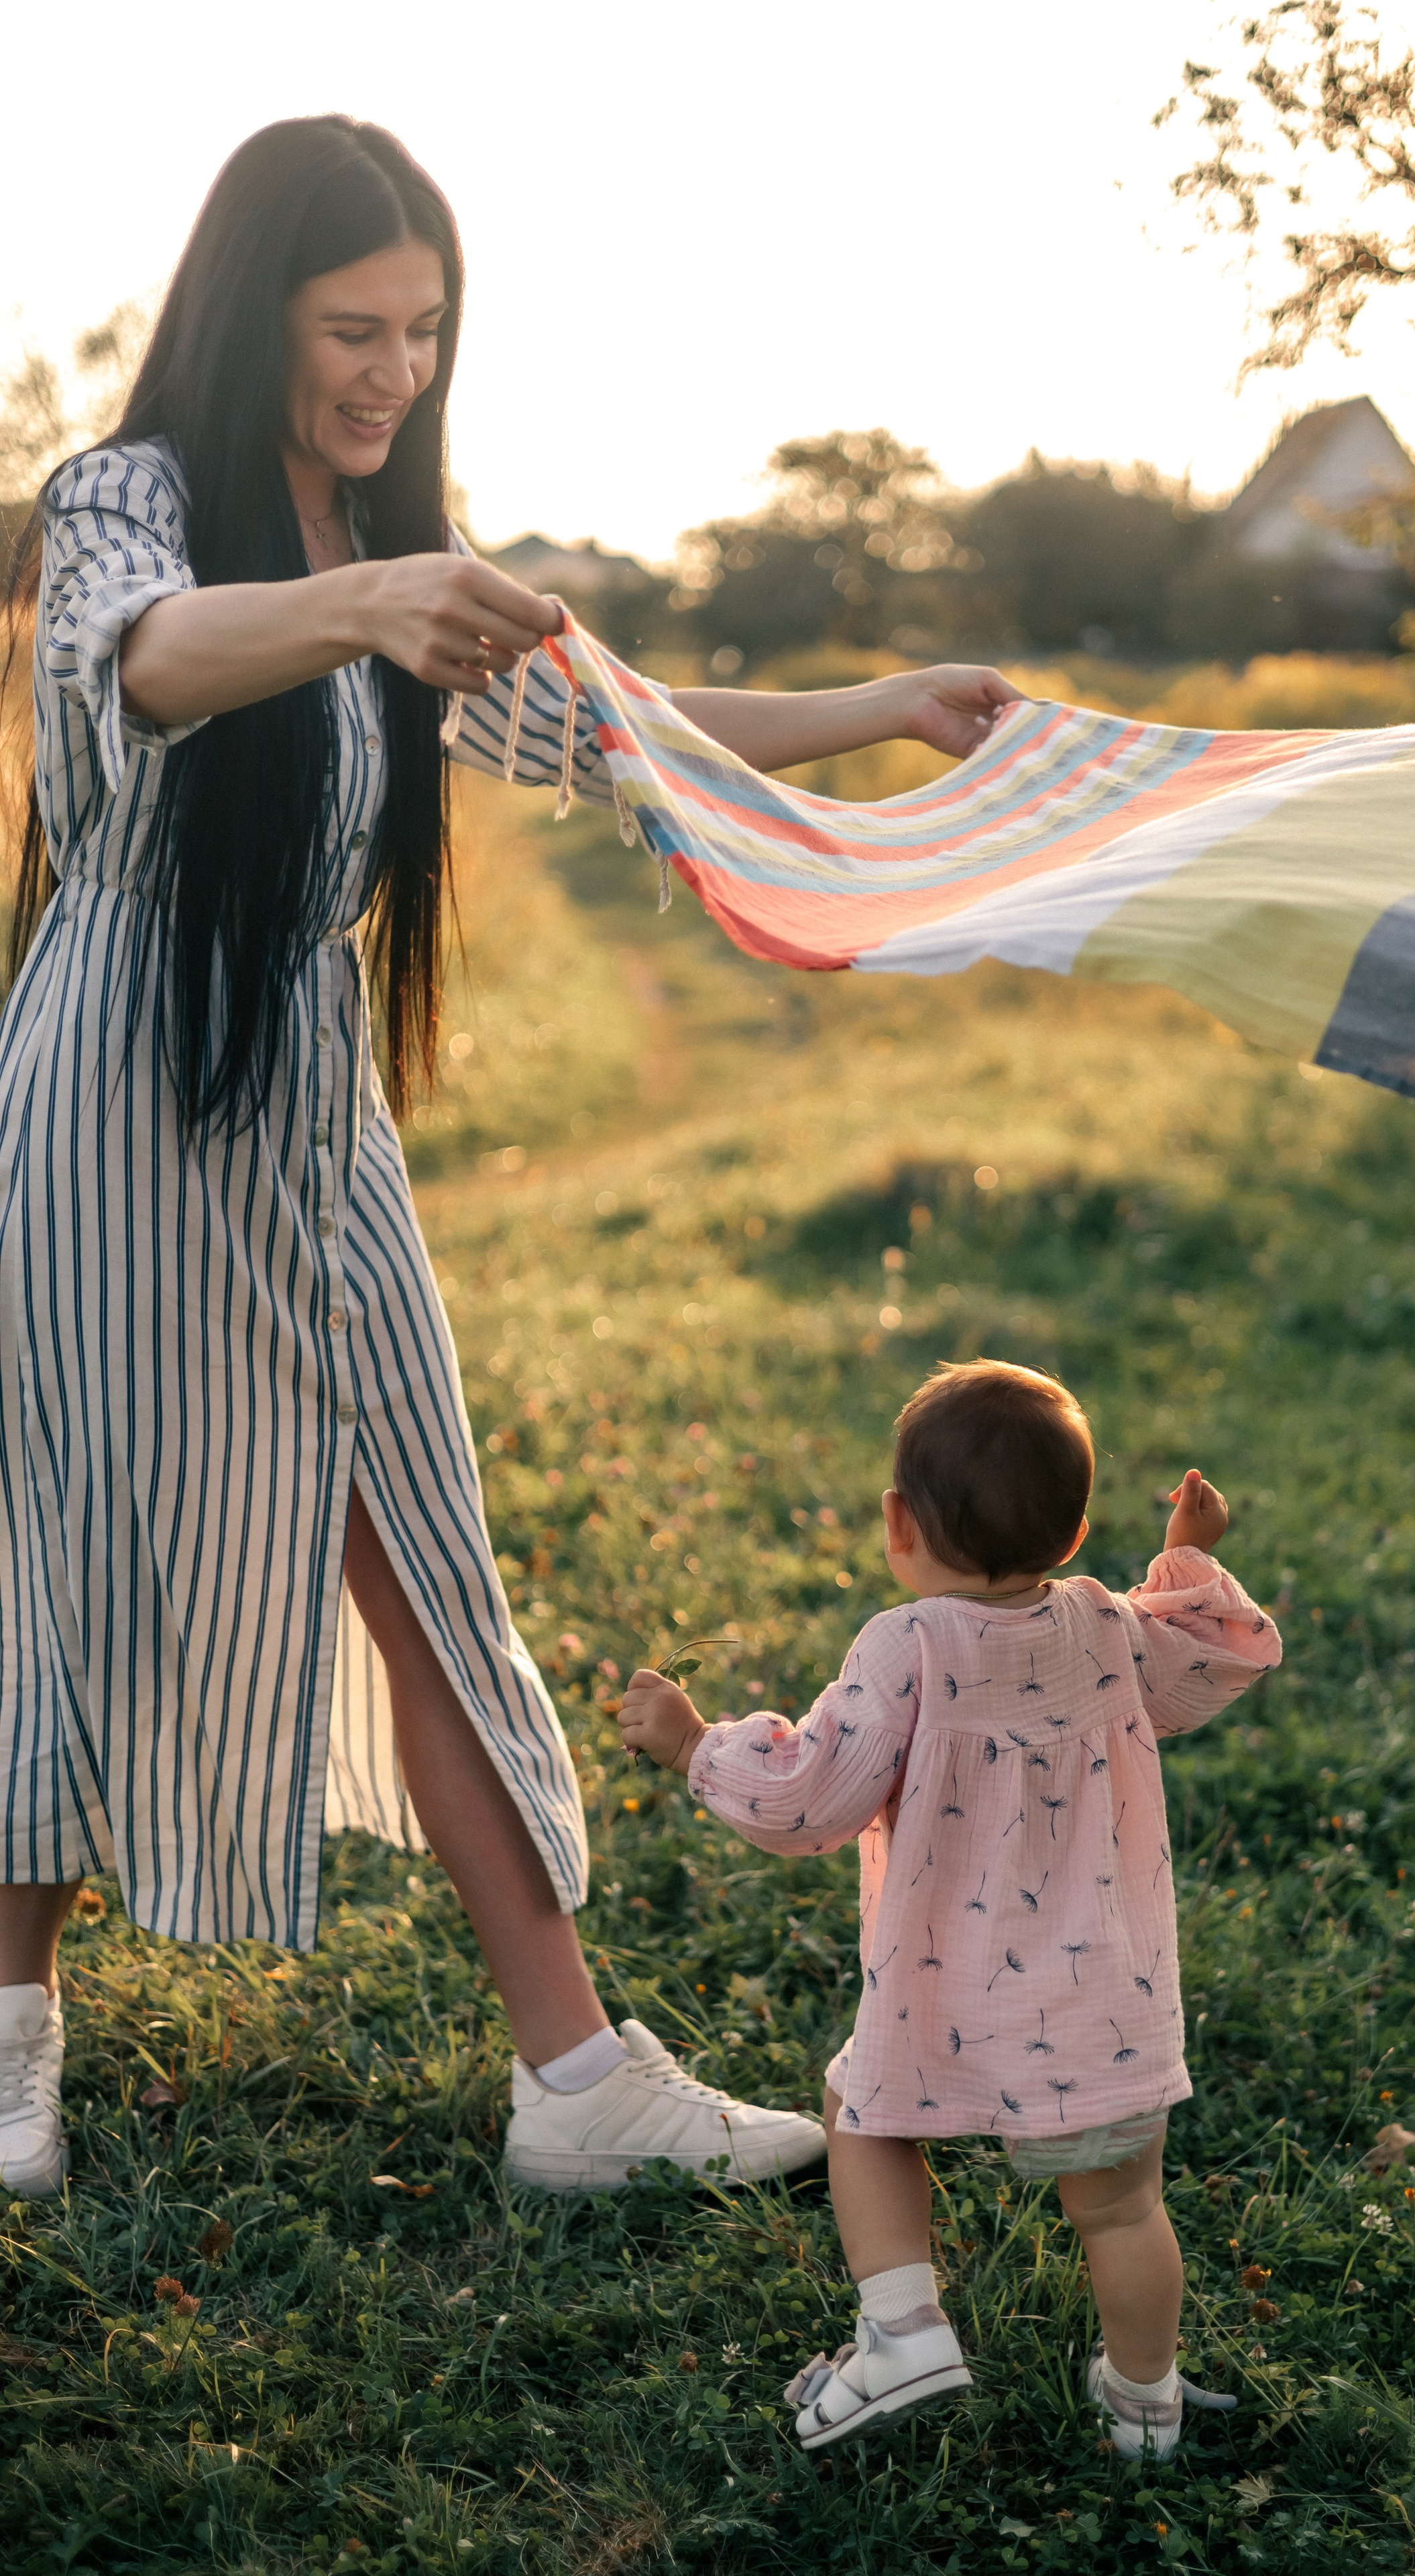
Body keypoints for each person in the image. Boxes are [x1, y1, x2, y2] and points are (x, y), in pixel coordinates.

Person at [0, 115, 1025, 2202]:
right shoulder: (130, 499)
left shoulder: (393, 521)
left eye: (426, 333)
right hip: (110, 1088)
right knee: (61, 1548)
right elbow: (146, 665)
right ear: (248, 309)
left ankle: (577, 2084)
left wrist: (886, 705)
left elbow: (619, 720)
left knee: (420, 1552)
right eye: (352, 328)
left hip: (308, 1109)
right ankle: (9, 2030)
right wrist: (367, 595)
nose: (391, 373)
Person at [620, 1360, 1282, 2457]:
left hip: (945, 1987)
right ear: (1071, 1539)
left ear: (899, 1524)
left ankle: (904, 2333)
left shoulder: (907, 1645)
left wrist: (699, 1744)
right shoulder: (1103, 1625)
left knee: (864, 2116)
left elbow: (811, 1801)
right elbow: (1211, 1660)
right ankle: (1145, 2403)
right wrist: (1192, 1554)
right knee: (1121, 2210)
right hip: (1098, 2001)